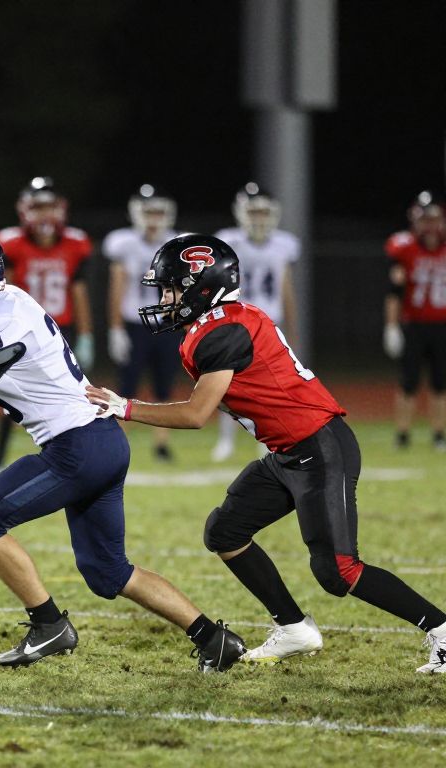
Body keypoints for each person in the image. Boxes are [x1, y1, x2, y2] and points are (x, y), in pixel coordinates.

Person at [0, 226, 245, 671]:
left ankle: (48, 624)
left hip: (76, 448)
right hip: (105, 441)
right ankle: (214, 638)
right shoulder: (4, 301)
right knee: (109, 573)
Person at [86, 233, 446, 672]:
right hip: (288, 452)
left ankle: (442, 631)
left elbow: (198, 413)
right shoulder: (220, 323)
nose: (164, 299)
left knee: (338, 570)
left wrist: (124, 406)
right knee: (225, 532)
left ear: (203, 287)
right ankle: (294, 628)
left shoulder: (223, 330)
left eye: (171, 288)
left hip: (318, 446)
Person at [0, 177, 94, 470]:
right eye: (38, 207)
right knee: (9, 395)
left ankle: (77, 456)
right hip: (21, 331)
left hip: (62, 330)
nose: (45, 214)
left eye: (49, 207)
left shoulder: (76, 243)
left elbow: (79, 291)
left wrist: (86, 335)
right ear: (25, 210)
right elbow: (2, 291)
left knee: (75, 397)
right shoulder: (10, 243)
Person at [211, 183, 299, 462]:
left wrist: (292, 325)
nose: (259, 218)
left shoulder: (284, 244)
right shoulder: (226, 241)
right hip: (237, 320)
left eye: (263, 212)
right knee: (226, 382)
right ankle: (226, 440)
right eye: (253, 211)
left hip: (270, 322)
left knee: (270, 384)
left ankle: (268, 439)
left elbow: (286, 287)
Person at [103, 184, 180, 461]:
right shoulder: (123, 243)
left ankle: (161, 445)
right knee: (127, 386)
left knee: (164, 386)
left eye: (158, 212)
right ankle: (117, 444)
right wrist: (115, 329)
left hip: (166, 322)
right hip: (134, 323)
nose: (153, 218)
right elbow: (117, 287)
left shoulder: (177, 243)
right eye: (149, 212)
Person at [383, 190, 446, 451]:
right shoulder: (404, 248)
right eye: (425, 220)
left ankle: (439, 435)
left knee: (440, 383)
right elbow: (394, 292)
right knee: (408, 382)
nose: (429, 226)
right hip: (414, 325)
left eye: (433, 220)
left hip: (442, 326)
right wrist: (391, 326)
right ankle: (403, 435)